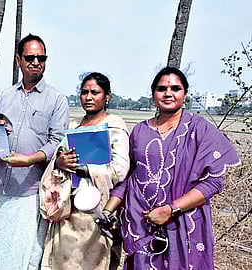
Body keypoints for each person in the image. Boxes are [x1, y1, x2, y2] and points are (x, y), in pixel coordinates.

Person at [103, 67, 241, 269]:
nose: (168, 93)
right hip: (143, 226)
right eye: (162, 88)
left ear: (185, 94)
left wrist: (170, 209)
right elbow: (129, 177)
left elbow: (213, 182)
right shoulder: (140, 131)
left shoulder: (200, 129)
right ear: (153, 94)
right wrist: (108, 210)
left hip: (185, 225)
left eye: (175, 88)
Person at [0, 34, 70, 269]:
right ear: (18, 61)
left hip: (32, 188)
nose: (35, 62)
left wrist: (31, 159)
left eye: (40, 58)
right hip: (1, 184)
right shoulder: (6, 95)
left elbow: (57, 141)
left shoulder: (57, 100)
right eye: (30, 57)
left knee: (28, 253)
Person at [39, 72, 130, 270]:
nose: (88, 97)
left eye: (95, 92)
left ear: (107, 96)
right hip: (68, 210)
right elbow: (57, 160)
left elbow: (121, 170)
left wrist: (84, 169)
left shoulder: (115, 126)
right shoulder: (73, 126)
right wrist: (59, 163)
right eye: (84, 92)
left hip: (98, 211)